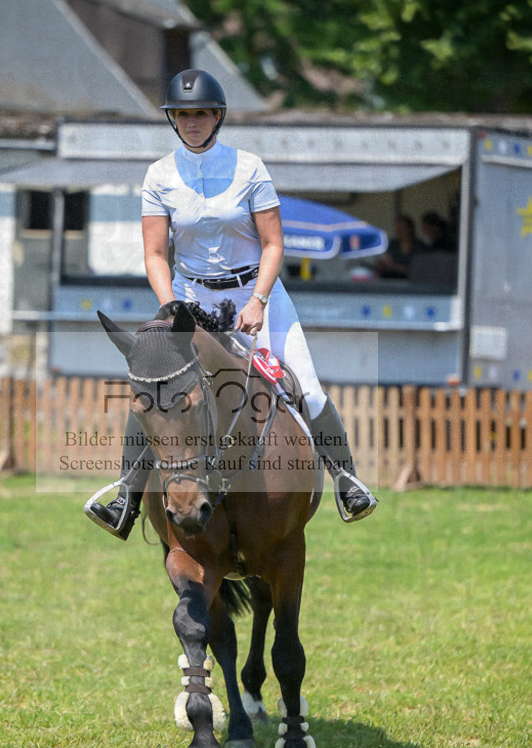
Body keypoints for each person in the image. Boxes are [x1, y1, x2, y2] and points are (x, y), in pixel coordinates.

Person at [85, 69, 377, 539]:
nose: (192, 122)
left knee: (311, 387)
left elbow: (274, 245)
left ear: (216, 116)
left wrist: (259, 298)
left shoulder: (250, 168)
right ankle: (125, 499)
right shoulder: (158, 175)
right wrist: (171, 311)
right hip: (190, 297)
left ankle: (347, 481)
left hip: (255, 290)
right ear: (173, 120)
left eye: (200, 113)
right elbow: (156, 254)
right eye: (182, 115)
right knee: (156, 389)